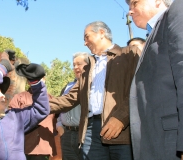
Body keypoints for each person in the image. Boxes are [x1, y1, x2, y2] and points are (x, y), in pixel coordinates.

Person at [50, 21, 140, 160]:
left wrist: (121, 118)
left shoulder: (129, 54)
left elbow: (139, 90)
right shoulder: (88, 67)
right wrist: (37, 106)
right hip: (91, 130)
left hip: (122, 129)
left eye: (87, 37)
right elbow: (69, 98)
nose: (85, 43)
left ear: (101, 33)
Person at [125, 0, 183, 159]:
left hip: (172, 142)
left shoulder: (177, 12)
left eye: (134, 3)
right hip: (157, 140)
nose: (130, 11)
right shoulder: (153, 33)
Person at [9, 76, 57, 160]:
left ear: (44, 80)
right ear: (28, 81)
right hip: (23, 146)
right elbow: (11, 119)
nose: (37, 81)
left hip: (43, 147)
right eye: (33, 79)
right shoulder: (19, 97)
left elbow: (58, 120)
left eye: (40, 78)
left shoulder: (52, 99)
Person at [56, 52, 89, 160]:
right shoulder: (68, 86)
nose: (75, 67)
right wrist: (59, 125)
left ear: (88, 65)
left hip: (85, 134)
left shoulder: (93, 84)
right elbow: (59, 108)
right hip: (66, 134)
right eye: (74, 65)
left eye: (79, 64)